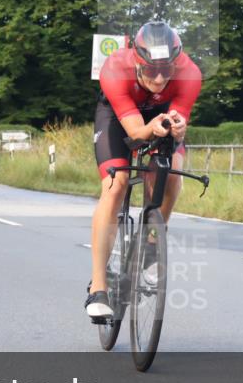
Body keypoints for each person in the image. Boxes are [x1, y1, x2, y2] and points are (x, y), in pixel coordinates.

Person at [86, 21, 202, 321]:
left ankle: (151, 242)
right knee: (116, 184)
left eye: (167, 69)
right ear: (137, 61)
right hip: (118, 117)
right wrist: (149, 129)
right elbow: (137, 133)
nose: (160, 78)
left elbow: (178, 119)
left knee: (171, 171)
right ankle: (98, 287)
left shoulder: (190, 74)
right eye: (151, 70)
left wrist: (178, 127)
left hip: (160, 114)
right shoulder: (115, 69)